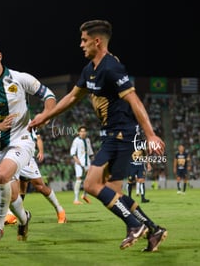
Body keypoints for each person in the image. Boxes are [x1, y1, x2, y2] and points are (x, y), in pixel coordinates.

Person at [29, 20, 167, 252]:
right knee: (114, 193)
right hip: (111, 136)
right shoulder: (90, 69)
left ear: (97, 41)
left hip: (120, 135)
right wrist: (46, 116)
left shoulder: (111, 67)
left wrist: (151, 134)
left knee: (91, 185)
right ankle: (153, 229)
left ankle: (134, 226)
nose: (80, 44)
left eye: (84, 40)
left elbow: (134, 100)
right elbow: (73, 97)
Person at [0, 41, 56, 244]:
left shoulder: (20, 78)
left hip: (22, 141)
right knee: (13, 196)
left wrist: (46, 114)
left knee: (1, 176)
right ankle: (24, 219)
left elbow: (48, 95)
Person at [0, 129, 67, 224]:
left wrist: (41, 151)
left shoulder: (21, 117)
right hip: (1, 153)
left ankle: (59, 210)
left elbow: (37, 137)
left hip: (21, 152)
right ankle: (10, 215)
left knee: (39, 186)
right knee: (3, 185)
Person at [70, 125, 94, 205]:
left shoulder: (87, 140)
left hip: (87, 162)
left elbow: (90, 152)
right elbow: (73, 152)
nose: (83, 133)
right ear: (79, 132)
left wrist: (93, 160)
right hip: (79, 163)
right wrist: (77, 161)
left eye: (84, 131)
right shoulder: (76, 140)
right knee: (79, 179)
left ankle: (84, 195)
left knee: (89, 180)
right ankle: (75, 199)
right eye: (81, 131)